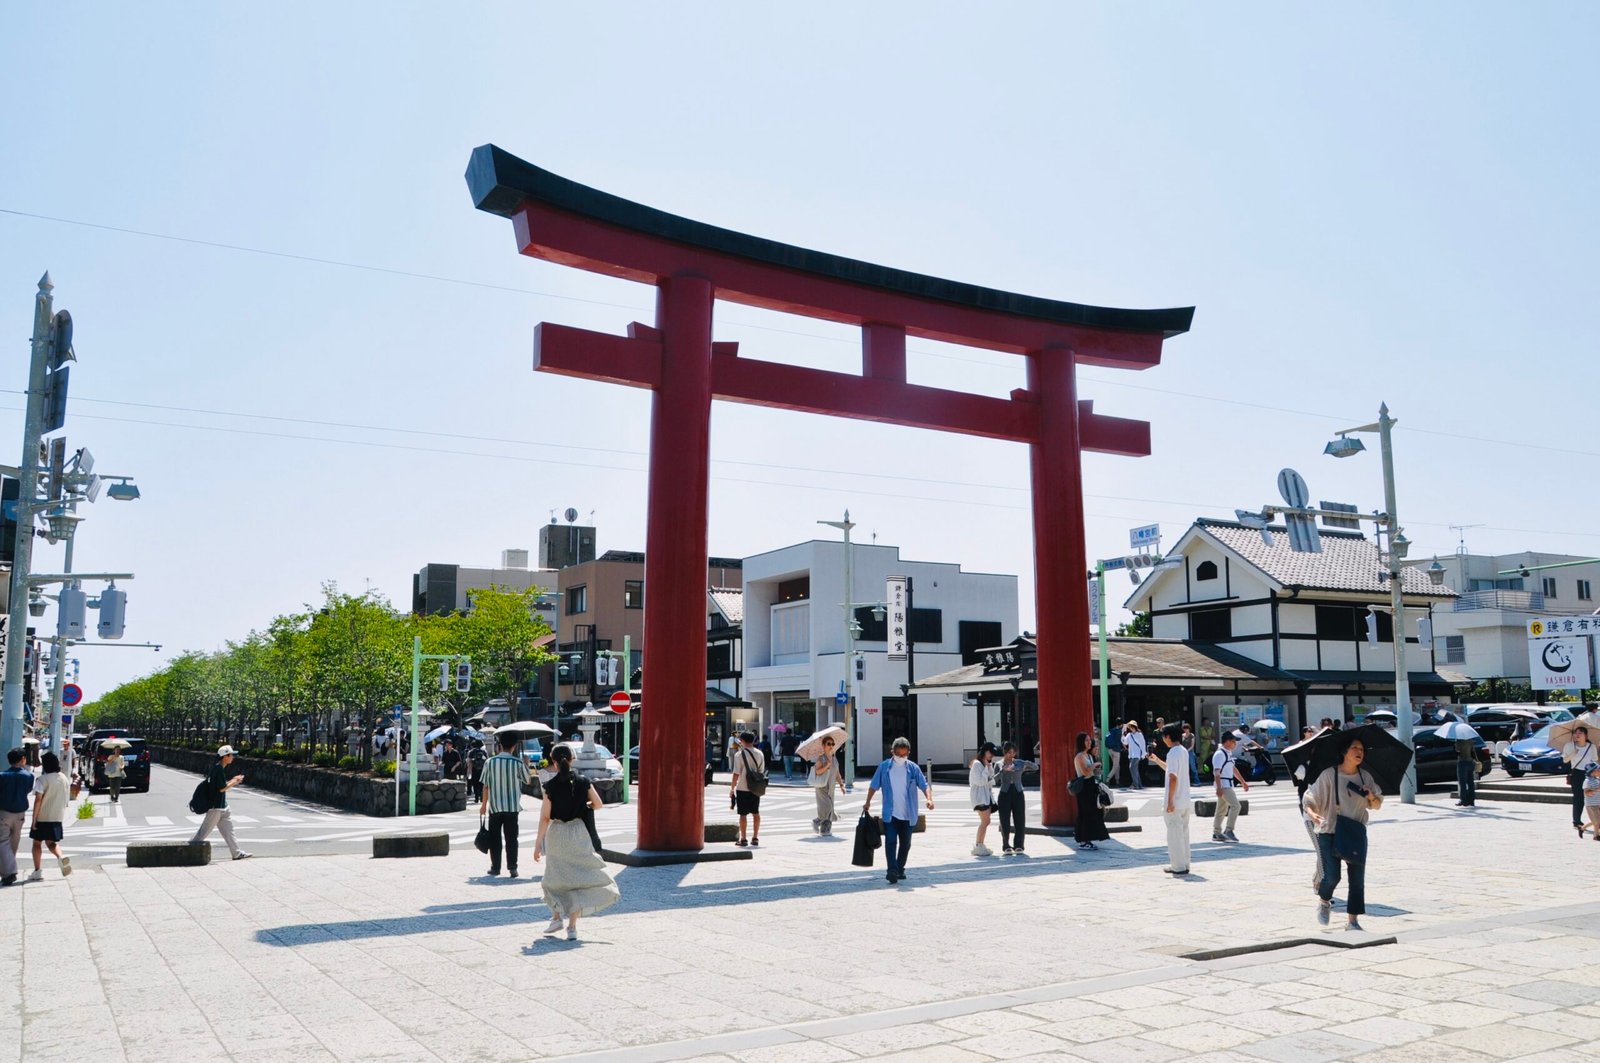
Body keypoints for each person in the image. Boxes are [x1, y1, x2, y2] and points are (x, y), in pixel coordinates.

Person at [533, 744, 619, 941]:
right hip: (579, 833)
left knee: (554, 877)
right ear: (572, 759)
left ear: (553, 761)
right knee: (576, 880)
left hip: (557, 833)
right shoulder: (583, 781)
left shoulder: (550, 786)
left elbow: (545, 817)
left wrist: (538, 844)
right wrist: (583, 805)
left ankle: (556, 917)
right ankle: (572, 928)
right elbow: (598, 804)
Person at [1304, 733, 1381, 931]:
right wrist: (1313, 815)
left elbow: (1376, 805)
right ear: (1345, 752)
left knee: (1357, 879)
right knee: (1331, 877)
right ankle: (1324, 900)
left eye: (1362, 750)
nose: (1359, 752)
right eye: (1355, 748)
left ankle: (1352, 922)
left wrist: (1372, 797)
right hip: (1329, 830)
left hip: (1355, 832)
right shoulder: (1330, 774)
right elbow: (1310, 798)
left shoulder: (1365, 777)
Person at [863, 737, 934, 884]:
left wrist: (929, 799)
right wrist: (867, 802)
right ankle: (892, 871)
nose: (901, 757)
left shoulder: (913, 768)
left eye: (904, 755)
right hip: (891, 814)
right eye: (898, 754)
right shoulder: (884, 767)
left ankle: (900, 868)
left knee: (906, 844)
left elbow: (924, 785)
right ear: (892, 752)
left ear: (908, 752)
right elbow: (874, 785)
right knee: (890, 841)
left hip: (908, 814)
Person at [480, 731, 531, 877]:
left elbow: (485, 786)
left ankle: (495, 867)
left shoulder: (490, 762)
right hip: (512, 807)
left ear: (500, 745)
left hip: (495, 806)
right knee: (512, 838)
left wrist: (483, 805)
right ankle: (512, 867)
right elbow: (527, 780)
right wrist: (526, 764)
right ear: (514, 746)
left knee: (495, 838)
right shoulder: (518, 763)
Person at [189, 746, 251, 861]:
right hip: (216, 807)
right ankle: (188, 850)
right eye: (231, 755)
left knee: (229, 831)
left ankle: (236, 853)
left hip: (222, 807)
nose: (233, 757)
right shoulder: (218, 770)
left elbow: (221, 785)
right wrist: (235, 781)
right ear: (225, 756)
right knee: (203, 833)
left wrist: (233, 780)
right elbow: (222, 788)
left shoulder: (218, 768)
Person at [25, 751, 72, 881]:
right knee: (51, 842)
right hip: (57, 816)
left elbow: (38, 799)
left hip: (43, 816)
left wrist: (34, 818)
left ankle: (37, 871)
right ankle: (61, 857)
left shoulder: (42, 780)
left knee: (36, 843)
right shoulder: (63, 778)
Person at [1157, 724, 1191, 875]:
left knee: (1174, 835)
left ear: (1168, 737)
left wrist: (1170, 801)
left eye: (1164, 736)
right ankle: (1185, 863)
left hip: (1175, 801)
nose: (1163, 739)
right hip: (1185, 800)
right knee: (1183, 833)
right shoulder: (1183, 752)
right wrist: (1157, 760)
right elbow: (1172, 771)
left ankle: (1177, 866)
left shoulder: (1172, 753)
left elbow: (1172, 777)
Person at [993, 742, 1037, 854]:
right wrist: (1003, 771)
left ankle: (1019, 845)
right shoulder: (999, 764)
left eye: (1013, 752)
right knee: (1004, 820)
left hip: (1018, 792)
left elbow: (1035, 767)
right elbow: (994, 780)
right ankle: (1006, 845)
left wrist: (1025, 763)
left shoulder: (1018, 762)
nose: (1011, 755)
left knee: (1020, 819)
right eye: (1008, 752)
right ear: (1004, 752)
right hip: (1004, 792)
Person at [0, 749, 32, 887]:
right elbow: (28, 790)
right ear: (23, 759)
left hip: (4, 813)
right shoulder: (28, 776)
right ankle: (8, 872)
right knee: (14, 841)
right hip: (20, 814)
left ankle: (9, 872)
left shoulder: (2, 776)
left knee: (2, 842)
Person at [1073, 732, 1110, 851]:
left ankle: (1088, 837)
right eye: (1086, 741)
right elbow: (1085, 771)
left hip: (1091, 786)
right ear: (1081, 743)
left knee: (1094, 812)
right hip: (1083, 787)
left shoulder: (1088, 755)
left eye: (1089, 740)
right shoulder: (1079, 756)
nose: (1089, 742)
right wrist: (1095, 765)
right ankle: (1084, 840)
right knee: (1085, 813)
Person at [1211, 731, 1249, 842]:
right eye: (1233, 741)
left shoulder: (1227, 753)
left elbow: (1233, 769)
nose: (1235, 744)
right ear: (1227, 742)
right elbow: (1216, 772)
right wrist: (1218, 788)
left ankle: (1216, 833)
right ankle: (1229, 830)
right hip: (1224, 785)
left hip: (1226, 784)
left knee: (1221, 809)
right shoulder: (1220, 754)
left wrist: (1242, 782)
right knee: (1236, 806)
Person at [730, 731, 765, 847]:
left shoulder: (739, 755)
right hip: (755, 787)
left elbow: (736, 773)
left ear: (742, 741)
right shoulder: (760, 753)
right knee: (756, 812)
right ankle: (755, 837)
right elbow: (761, 771)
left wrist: (732, 788)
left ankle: (743, 838)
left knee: (743, 814)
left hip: (742, 787)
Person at [809, 734, 847, 836]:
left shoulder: (834, 759)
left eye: (832, 744)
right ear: (823, 745)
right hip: (822, 787)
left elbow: (837, 773)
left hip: (831, 787)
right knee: (828, 807)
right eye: (828, 744)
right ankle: (816, 822)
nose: (831, 746)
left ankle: (825, 830)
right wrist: (826, 766)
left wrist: (841, 785)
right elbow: (817, 772)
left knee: (830, 809)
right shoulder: (821, 759)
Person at [1563, 726, 1597, 836]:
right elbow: (1565, 760)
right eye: (1575, 733)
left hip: (1589, 774)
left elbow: (1595, 761)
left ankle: (1595, 821)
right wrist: (1573, 753)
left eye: (1580, 733)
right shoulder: (1569, 745)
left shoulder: (1591, 747)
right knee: (1578, 797)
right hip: (1576, 773)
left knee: (1593, 797)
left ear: (1586, 736)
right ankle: (1577, 821)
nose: (1577, 735)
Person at [968, 743, 997, 857]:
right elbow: (980, 781)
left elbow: (991, 780)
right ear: (984, 752)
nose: (992, 756)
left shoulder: (986, 764)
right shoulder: (976, 764)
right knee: (985, 821)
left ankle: (980, 845)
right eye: (990, 752)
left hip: (986, 797)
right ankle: (978, 846)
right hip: (979, 797)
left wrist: (989, 768)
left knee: (986, 821)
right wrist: (986, 768)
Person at [1454, 736, 1477, 808]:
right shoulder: (1470, 739)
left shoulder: (1459, 740)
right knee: (1470, 782)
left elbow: (1458, 751)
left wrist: (1455, 744)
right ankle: (1471, 800)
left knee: (1462, 782)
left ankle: (1463, 800)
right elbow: (1472, 751)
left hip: (1462, 762)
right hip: (1470, 762)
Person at [1123, 722, 1147, 790]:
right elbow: (1125, 742)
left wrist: (1143, 754)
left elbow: (1143, 744)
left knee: (1132, 767)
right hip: (1131, 754)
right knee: (1135, 769)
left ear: (1135, 727)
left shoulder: (1139, 734)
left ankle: (1135, 784)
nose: (1131, 728)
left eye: (1132, 726)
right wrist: (1123, 734)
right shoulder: (1129, 735)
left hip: (1137, 754)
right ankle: (1139, 784)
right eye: (1130, 727)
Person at [1584, 764, 1600, 842]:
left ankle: (1583, 828)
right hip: (1591, 804)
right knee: (1597, 821)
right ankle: (1596, 835)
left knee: (1596, 820)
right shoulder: (1587, 781)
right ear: (1592, 772)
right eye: (1598, 769)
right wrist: (1596, 790)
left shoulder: (1597, 779)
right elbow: (1586, 793)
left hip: (1598, 803)